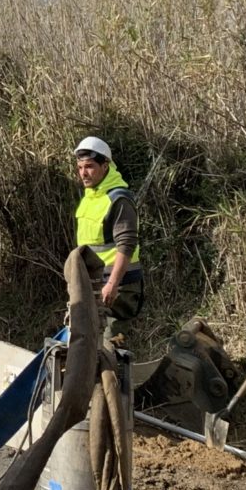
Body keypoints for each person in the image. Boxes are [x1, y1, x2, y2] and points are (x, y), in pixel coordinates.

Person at [73, 137, 143, 340]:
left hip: (118, 288)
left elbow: (126, 245)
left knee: (110, 344)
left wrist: (112, 284)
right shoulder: (91, 197)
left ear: (105, 166)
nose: (83, 173)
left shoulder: (118, 199)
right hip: (95, 284)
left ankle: (118, 373)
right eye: (79, 167)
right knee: (92, 344)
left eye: (89, 167)